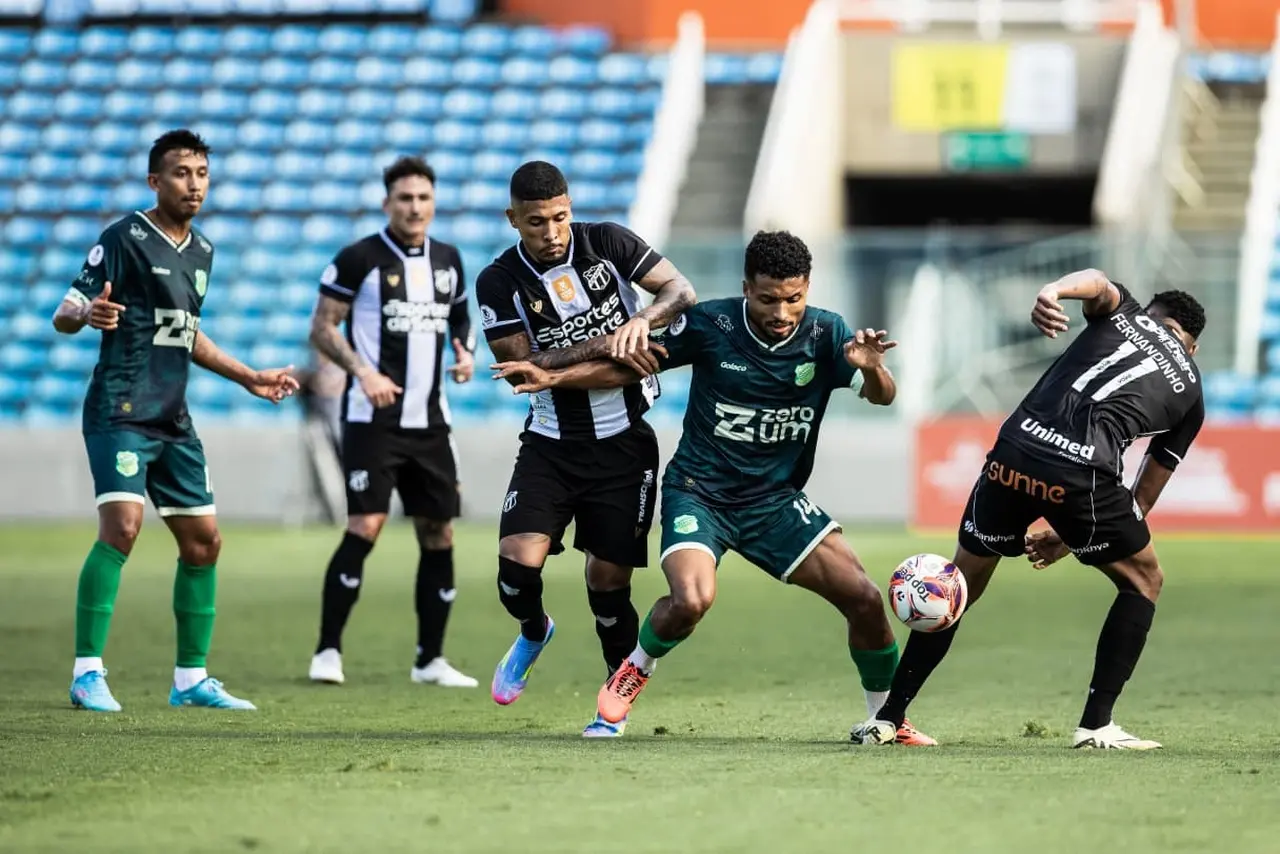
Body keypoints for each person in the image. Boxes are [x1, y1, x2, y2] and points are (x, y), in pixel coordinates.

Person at [493, 230, 936, 745]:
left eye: (793, 298)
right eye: (768, 299)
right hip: (699, 492)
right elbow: (626, 368)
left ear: (807, 289)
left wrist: (874, 369)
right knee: (692, 599)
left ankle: (887, 719)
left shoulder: (826, 332)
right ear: (746, 289)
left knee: (864, 598)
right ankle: (634, 668)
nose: (782, 312)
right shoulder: (710, 324)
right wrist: (553, 379)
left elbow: (883, 396)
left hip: (774, 502)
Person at [852, 271, 1205, 750]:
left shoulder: (1124, 313)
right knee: (1144, 579)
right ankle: (1096, 725)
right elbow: (1140, 500)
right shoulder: (1192, 392)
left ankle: (889, 719)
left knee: (957, 586)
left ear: (1150, 314)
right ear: (1192, 348)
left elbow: (1097, 281)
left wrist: (1052, 291)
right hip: (1082, 473)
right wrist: (1071, 535)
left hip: (1015, 451)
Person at [52, 129, 299, 712]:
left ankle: (190, 679)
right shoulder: (124, 238)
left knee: (204, 542)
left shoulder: (203, 251)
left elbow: (186, 332)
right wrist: (89, 314)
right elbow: (65, 311)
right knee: (123, 527)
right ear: (155, 181)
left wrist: (248, 376)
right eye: (182, 173)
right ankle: (86, 673)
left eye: (202, 174)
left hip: (172, 417)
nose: (194, 184)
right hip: (120, 409)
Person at [477, 161, 696, 738]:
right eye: (535, 222)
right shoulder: (498, 281)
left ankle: (610, 708)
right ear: (513, 219)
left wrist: (641, 321)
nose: (551, 232)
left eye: (559, 217)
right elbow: (524, 369)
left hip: (626, 446)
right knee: (515, 568)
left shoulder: (609, 243)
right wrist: (614, 344)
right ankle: (533, 631)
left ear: (570, 208)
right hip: (550, 445)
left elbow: (681, 291)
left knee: (607, 583)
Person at [307, 156, 477, 688]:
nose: (414, 207)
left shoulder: (449, 259)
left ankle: (431, 660)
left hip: (431, 422)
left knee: (439, 531)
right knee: (366, 525)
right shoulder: (358, 258)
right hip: (372, 420)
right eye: (405, 198)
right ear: (387, 203)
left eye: (423, 198)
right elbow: (322, 328)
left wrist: (465, 352)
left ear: (434, 203)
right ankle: (327, 651)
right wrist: (363, 372)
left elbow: (462, 318)